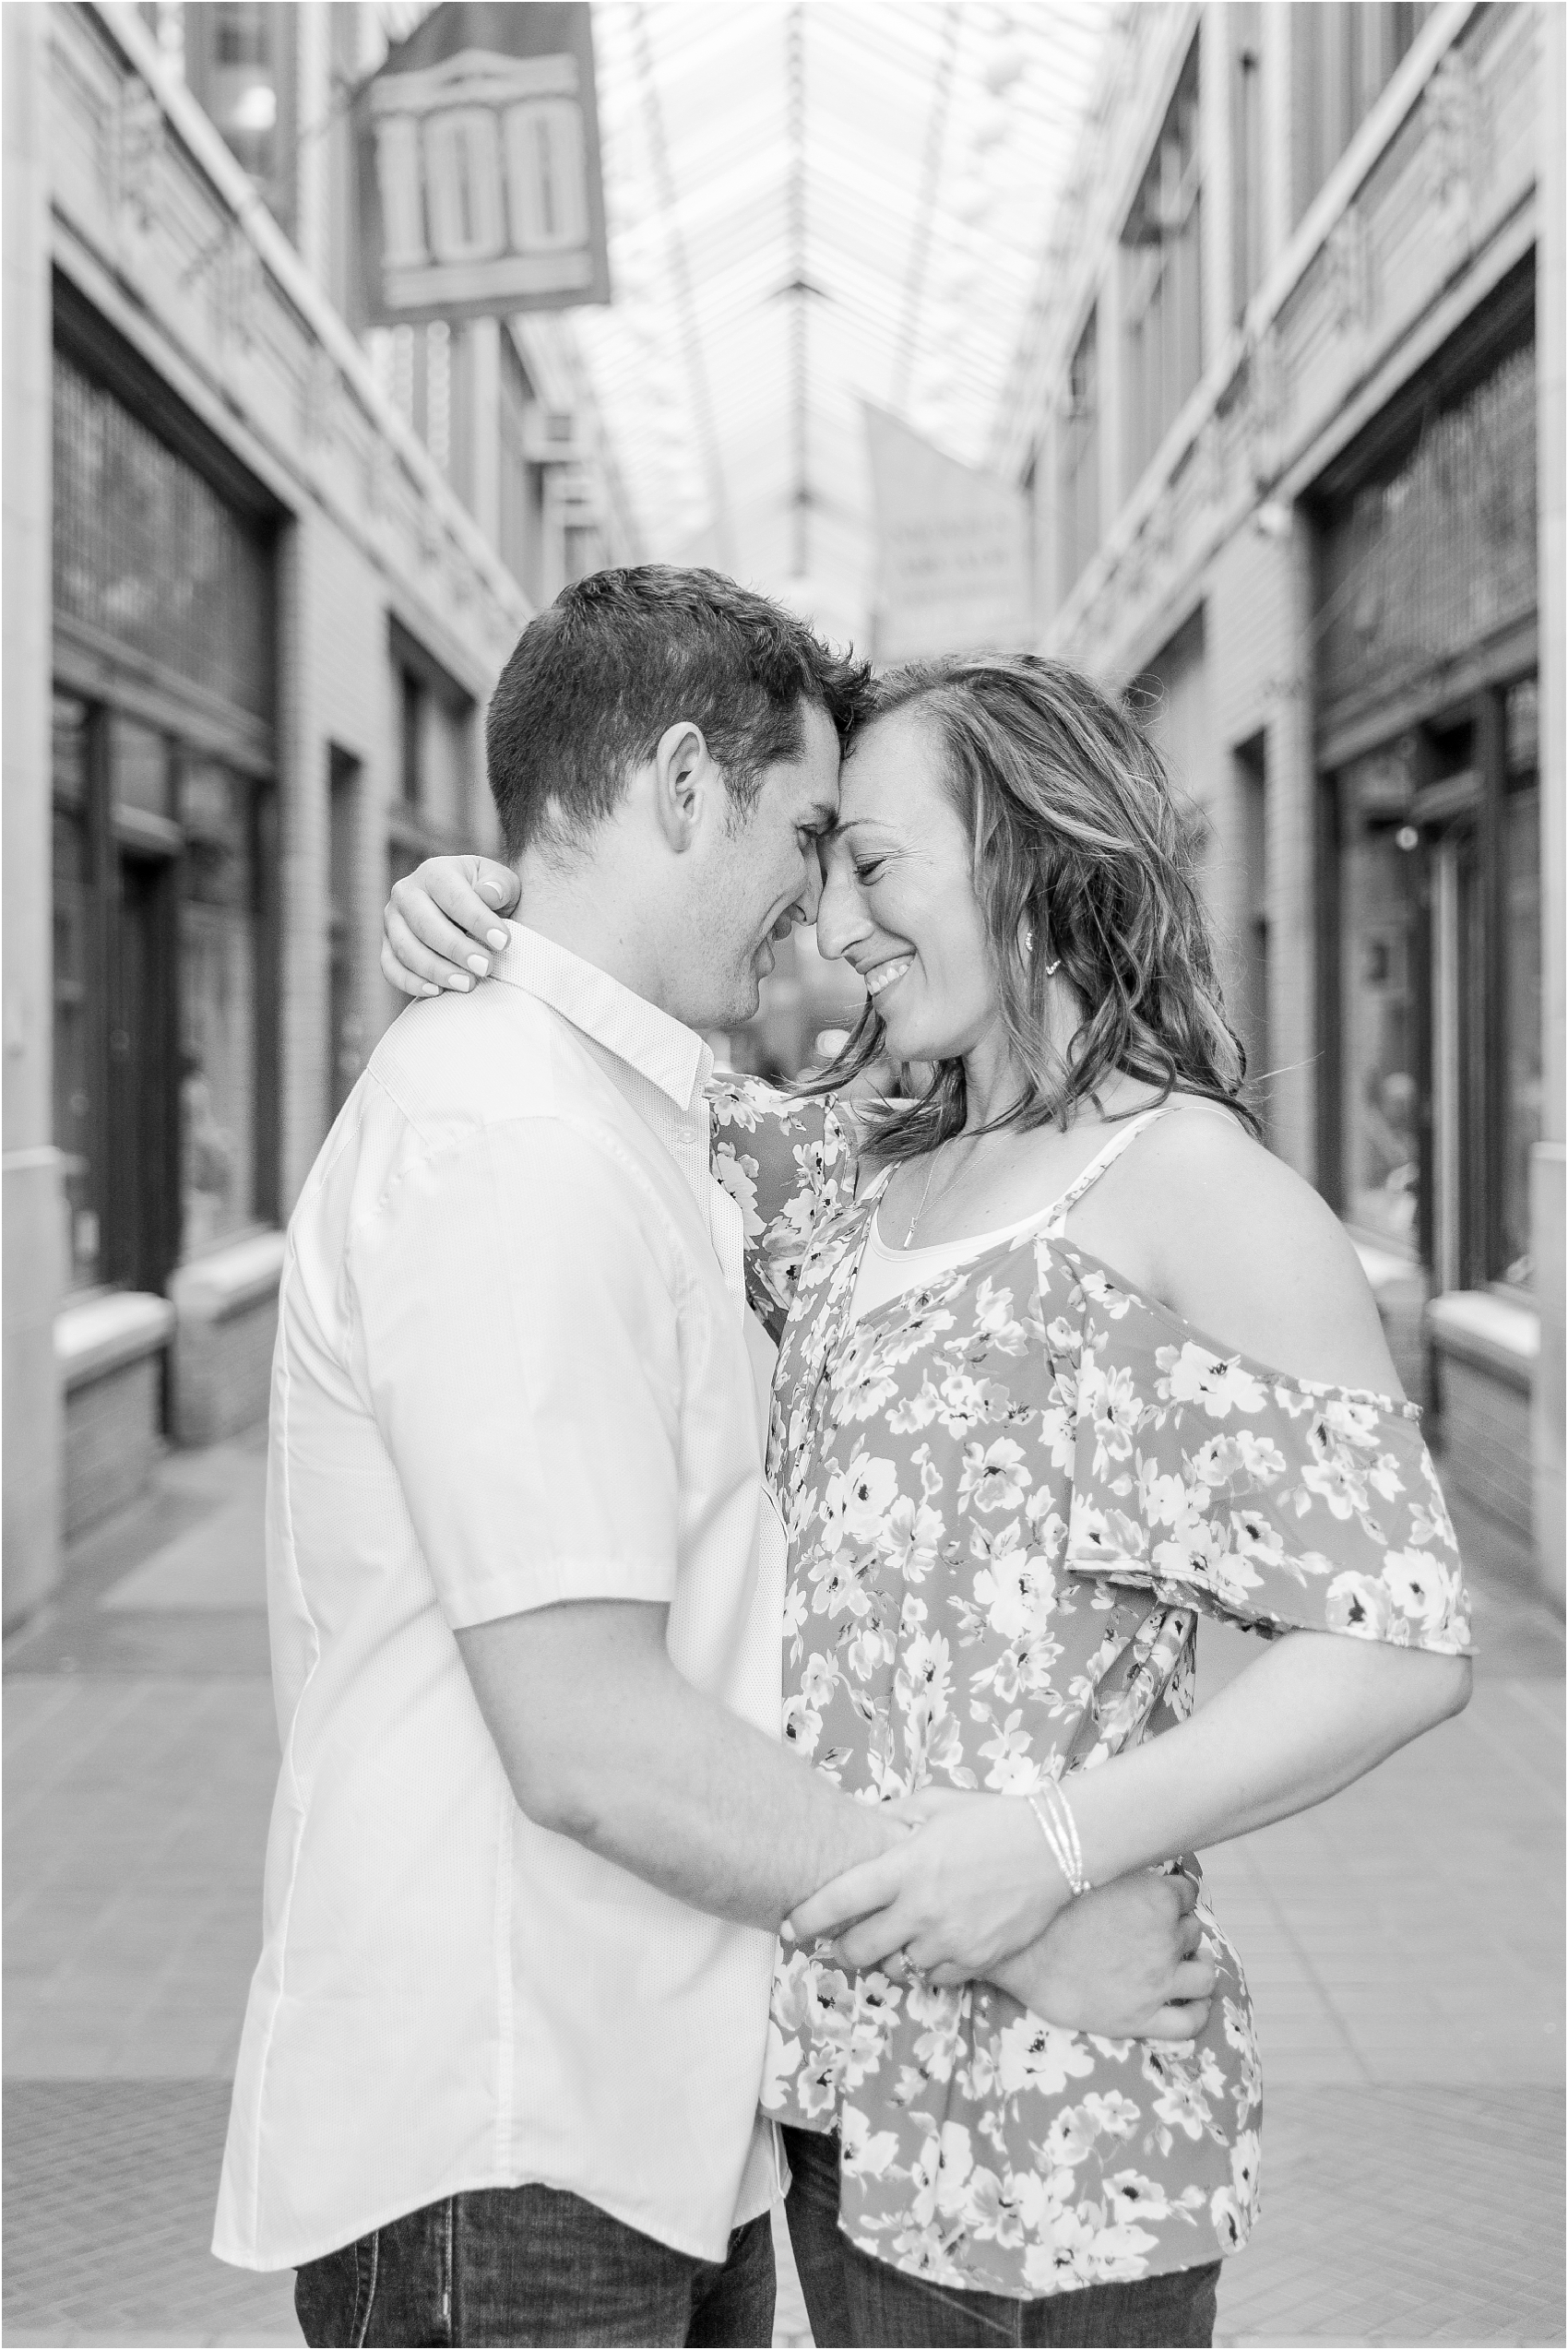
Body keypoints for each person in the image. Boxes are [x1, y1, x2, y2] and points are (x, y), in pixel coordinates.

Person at [386, 647, 1472, 2348]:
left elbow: (1399, 1643)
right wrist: (481, 911)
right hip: (825, 2071)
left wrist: (1052, 1851)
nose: (838, 930)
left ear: (1037, 849)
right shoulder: (861, 1152)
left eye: (875, 865)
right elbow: (613, 1049)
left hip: (1058, 2114)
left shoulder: (1196, 1191)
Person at [217, 575, 1211, 2350]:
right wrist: (1008, 1921)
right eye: (810, 832)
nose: (822, 904)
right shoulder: (514, 1138)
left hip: (646, 2120)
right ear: (685, 785)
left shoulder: (644, 1117)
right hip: (514, 2135)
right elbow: (586, 1737)